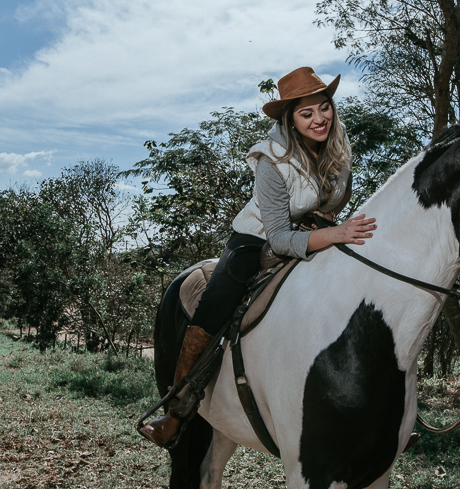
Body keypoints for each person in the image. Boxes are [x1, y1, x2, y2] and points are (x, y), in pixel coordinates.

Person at [140, 66, 377, 448]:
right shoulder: (270, 160)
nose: (319, 119)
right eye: (307, 113)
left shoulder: (339, 150)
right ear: (291, 119)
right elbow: (280, 239)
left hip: (315, 236)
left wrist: (329, 225)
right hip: (257, 241)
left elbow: (329, 208)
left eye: (324, 108)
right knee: (214, 307)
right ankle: (176, 411)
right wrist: (333, 232)